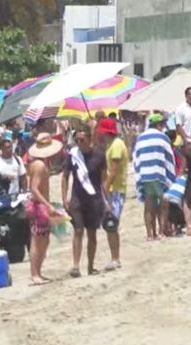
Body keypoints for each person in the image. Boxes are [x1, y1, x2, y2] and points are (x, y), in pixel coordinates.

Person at [62, 128, 106, 278]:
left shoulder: (99, 156)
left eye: (82, 140)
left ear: (89, 139)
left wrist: (107, 200)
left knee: (92, 233)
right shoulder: (73, 156)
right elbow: (65, 176)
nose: (79, 143)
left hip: (94, 199)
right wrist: (64, 197)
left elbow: (104, 179)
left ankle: (90, 266)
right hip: (77, 199)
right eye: (77, 140)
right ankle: (75, 266)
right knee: (78, 230)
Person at [26, 133, 64, 285]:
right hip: (38, 205)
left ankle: (37, 272)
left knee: (44, 239)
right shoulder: (40, 166)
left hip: (39, 205)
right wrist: (47, 205)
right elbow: (34, 189)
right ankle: (35, 273)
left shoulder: (36, 164)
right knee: (37, 240)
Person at [134, 113, 176, 241]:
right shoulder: (162, 137)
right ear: (158, 125)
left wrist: (139, 172)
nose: (163, 126)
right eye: (162, 124)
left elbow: (136, 157)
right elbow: (169, 157)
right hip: (159, 173)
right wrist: (171, 175)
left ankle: (150, 235)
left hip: (146, 174)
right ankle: (161, 231)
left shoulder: (140, 138)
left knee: (149, 205)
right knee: (163, 204)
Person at [98, 118, 128, 270]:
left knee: (111, 224)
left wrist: (104, 188)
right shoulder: (110, 145)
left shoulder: (116, 145)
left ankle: (116, 258)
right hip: (111, 189)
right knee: (109, 225)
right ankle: (114, 257)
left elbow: (113, 171)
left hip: (114, 190)